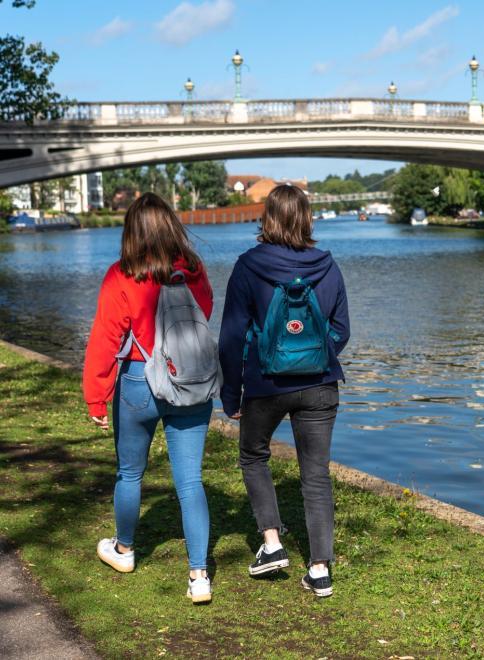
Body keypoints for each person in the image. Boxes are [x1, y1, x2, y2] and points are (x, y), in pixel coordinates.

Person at [83, 192, 215, 604]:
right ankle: (198, 576)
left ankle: (123, 550)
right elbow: (203, 314)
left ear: (132, 232)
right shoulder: (192, 269)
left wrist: (96, 396)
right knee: (190, 480)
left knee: (130, 473)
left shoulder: (122, 274)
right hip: (188, 382)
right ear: (172, 226)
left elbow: (106, 338)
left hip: (139, 379)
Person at [218, 184, 350, 598]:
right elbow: (341, 330)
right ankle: (320, 569)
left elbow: (231, 336)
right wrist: (314, 356)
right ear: (307, 218)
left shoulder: (248, 266)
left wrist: (230, 392)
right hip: (320, 385)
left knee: (253, 454)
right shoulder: (328, 266)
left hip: (264, 384)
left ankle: (272, 544)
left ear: (267, 218)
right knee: (316, 474)